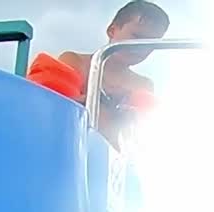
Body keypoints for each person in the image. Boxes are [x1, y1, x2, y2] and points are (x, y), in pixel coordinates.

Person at [28, 1, 170, 145]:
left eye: (150, 43)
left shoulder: (143, 85)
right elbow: (53, 111)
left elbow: (143, 138)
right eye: (136, 36)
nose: (140, 48)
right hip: (73, 147)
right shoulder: (75, 61)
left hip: (115, 161)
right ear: (112, 30)